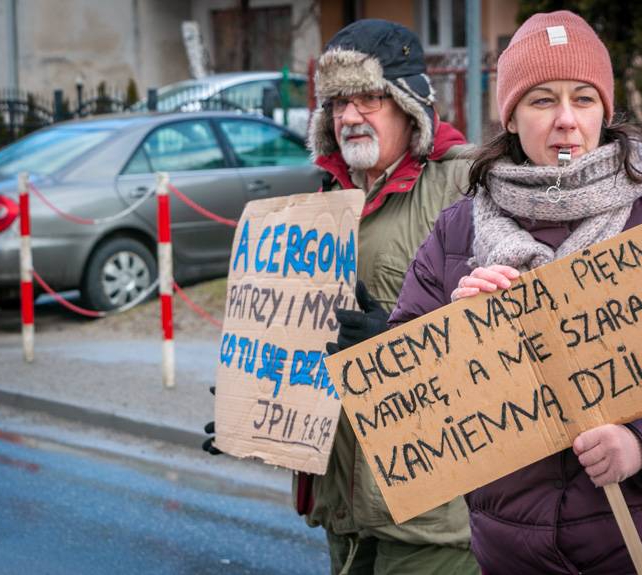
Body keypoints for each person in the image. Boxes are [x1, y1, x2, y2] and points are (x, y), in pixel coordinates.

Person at [388, 10, 642, 575]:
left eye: (583, 98)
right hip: (511, 552)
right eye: (542, 100)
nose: (566, 120)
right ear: (512, 117)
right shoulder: (456, 233)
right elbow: (404, 397)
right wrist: (455, 333)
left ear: (606, 112)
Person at [205, 19, 479, 574]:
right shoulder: (324, 201)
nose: (350, 115)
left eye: (369, 98)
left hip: (433, 520)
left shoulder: (465, 184)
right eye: (337, 102)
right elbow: (300, 342)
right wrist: (254, 404)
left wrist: (394, 346)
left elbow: (508, 336)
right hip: (343, 512)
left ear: (408, 105)